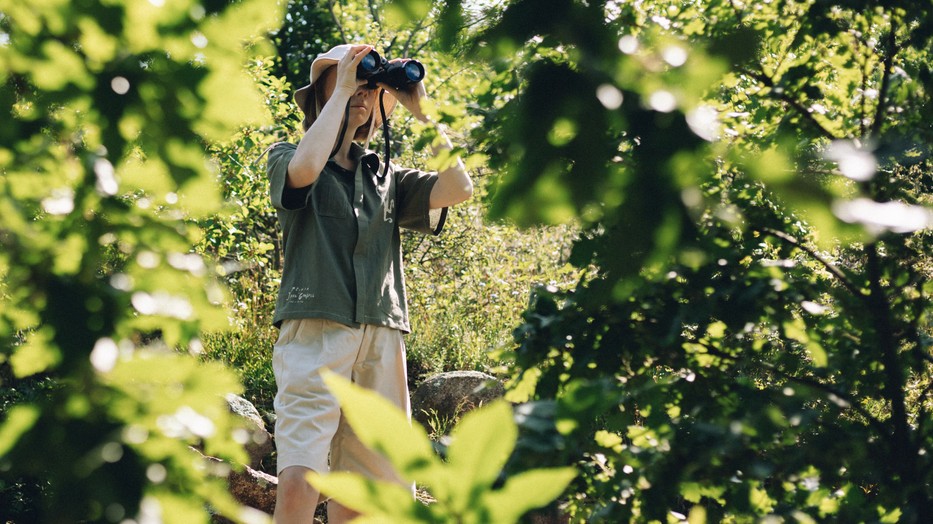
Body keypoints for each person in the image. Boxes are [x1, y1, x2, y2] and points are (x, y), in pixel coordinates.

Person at [265, 43, 473, 523]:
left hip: (382, 333)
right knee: (301, 477)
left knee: (367, 493)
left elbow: (460, 188)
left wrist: (425, 113)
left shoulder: (387, 176)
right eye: (351, 80)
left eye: (370, 86)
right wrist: (342, 88)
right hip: (316, 326)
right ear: (320, 93)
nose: (363, 91)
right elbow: (304, 171)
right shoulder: (287, 154)